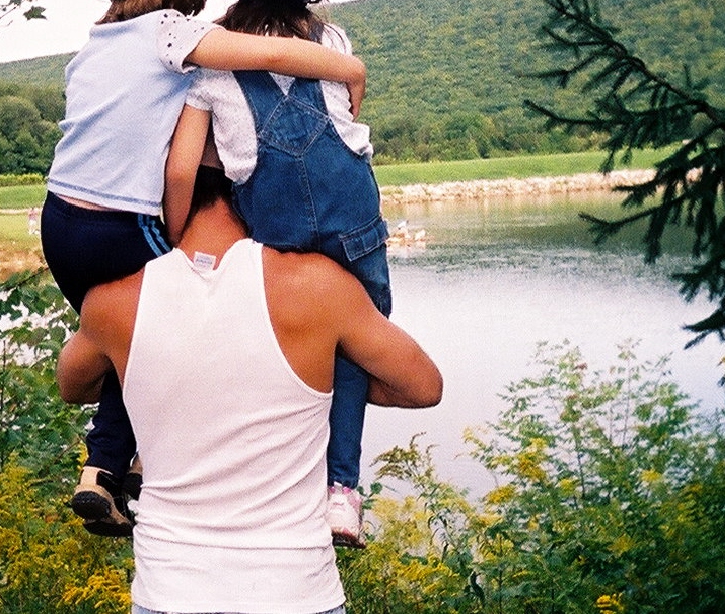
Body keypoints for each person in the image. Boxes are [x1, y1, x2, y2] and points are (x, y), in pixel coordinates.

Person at [41, 0, 368, 536]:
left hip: (59, 223)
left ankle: (109, 467)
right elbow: (272, 53)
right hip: (121, 221)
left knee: (128, 344)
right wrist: (348, 70)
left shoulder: (89, 49)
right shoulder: (172, 32)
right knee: (166, 327)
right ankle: (109, 466)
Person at [56, 152, 442, 614]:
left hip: (169, 589)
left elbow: (73, 386)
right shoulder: (318, 287)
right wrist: (312, 386)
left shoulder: (113, 304)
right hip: (294, 590)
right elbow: (423, 386)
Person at [163, 0, 388, 546]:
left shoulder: (211, 59)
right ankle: (339, 491)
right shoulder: (334, 39)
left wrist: (175, 238)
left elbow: (181, 170)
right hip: (355, 219)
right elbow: (350, 94)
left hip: (277, 234)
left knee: (275, 345)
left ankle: (243, 478)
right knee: (355, 343)